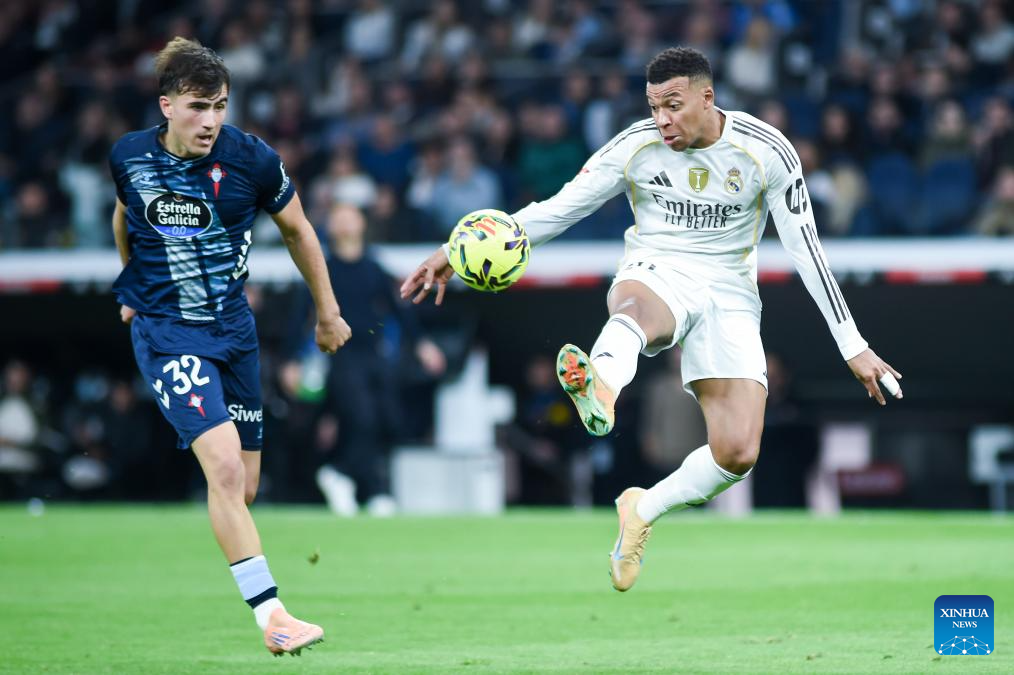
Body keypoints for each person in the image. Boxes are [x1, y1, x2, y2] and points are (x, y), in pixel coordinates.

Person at [400, 47, 902, 593]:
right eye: (654, 106)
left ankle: (642, 508)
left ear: (707, 98)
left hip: (730, 290)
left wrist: (852, 343)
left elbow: (808, 252)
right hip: (656, 266)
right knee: (636, 310)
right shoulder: (634, 146)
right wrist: (454, 251)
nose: (662, 119)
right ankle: (601, 385)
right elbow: (560, 208)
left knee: (737, 452)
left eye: (673, 105)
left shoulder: (766, 151)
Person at [110, 37, 350, 655]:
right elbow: (124, 214)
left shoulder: (253, 160)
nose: (210, 120)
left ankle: (243, 567)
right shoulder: (129, 156)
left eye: (219, 106)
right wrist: (132, 284)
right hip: (168, 332)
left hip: (234, 333)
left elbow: (299, 230)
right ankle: (273, 616)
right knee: (221, 469)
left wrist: (327, 312)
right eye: (197, 107)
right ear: (166, 105)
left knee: (242, 486)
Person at [293, 203, 445, 516]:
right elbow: (299, 317)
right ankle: (356, 480)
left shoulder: (374, 268)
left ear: (363, 224)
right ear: (330, 227)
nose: (346, 223)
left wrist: (423, 345)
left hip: (374, 355)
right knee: (360, 417)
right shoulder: (322, 269)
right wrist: (291, 360)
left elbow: (400, 311)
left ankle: (352, 478)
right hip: (341, 355)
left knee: (384, 419)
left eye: (351, 217)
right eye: (338, 218)